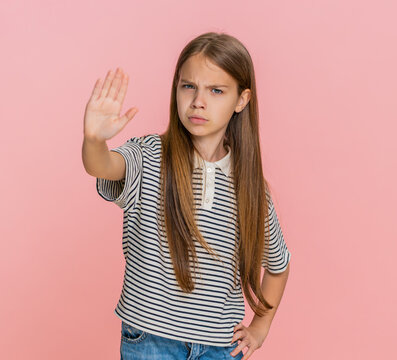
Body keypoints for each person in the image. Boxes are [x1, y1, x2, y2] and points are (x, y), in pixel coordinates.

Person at [82, 32, 291, 360]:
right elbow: (103, 166)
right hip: (151, 341)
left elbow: (278, 265)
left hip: (220, 348)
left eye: (216, 90)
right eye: (188, 86)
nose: (198, 101)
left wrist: (260, 327)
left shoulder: (250, 188)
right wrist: (94, 140)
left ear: (241, 99)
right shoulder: (150, 156)